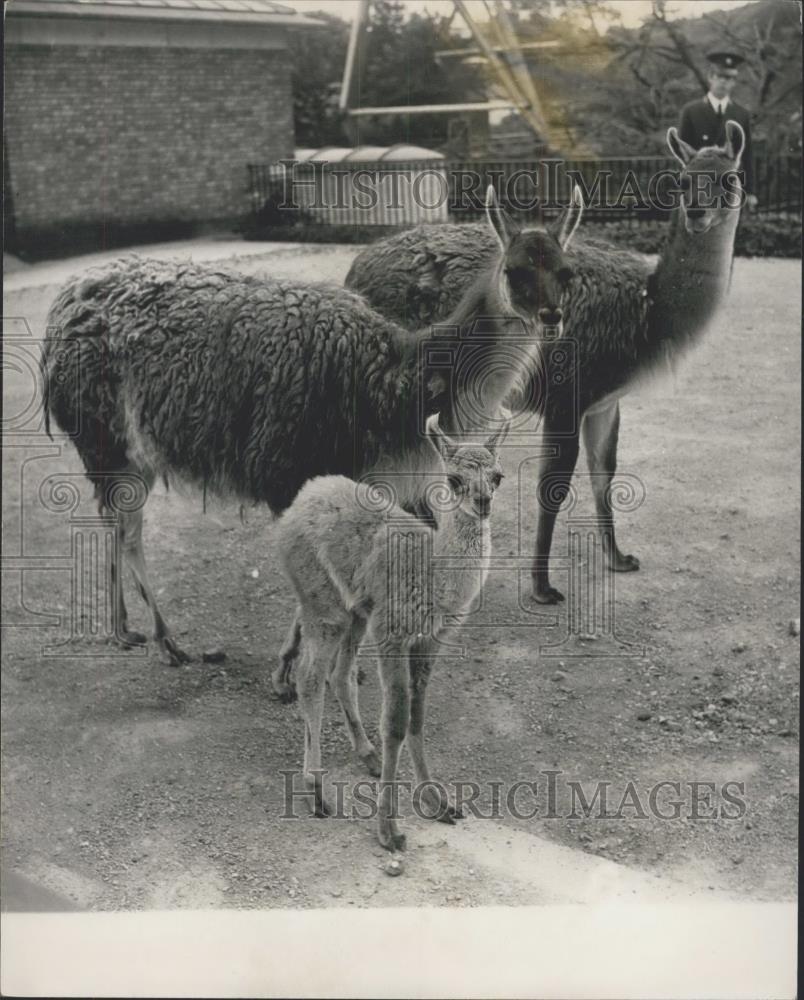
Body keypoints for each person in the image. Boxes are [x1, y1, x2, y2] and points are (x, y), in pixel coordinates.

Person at [679, 50, 758, 210]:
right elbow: (682, 153)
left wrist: (750, 191)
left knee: (728, 233)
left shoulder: (741, 114)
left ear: (734, 82)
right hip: (699, 187)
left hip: (729, 187)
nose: (724, 82)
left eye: (729, 78)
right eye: (719, 76)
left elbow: (747, 154)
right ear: (710, 77)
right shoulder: (691, 111)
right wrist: (684, 188)